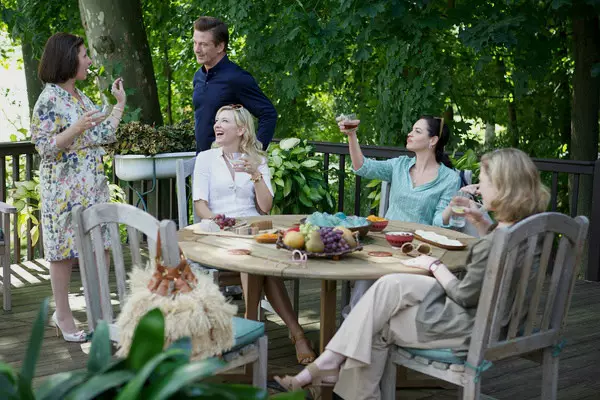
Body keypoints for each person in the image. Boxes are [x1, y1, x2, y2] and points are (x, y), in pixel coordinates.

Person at [275, 148, 550, 399]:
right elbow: (497, 261)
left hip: (472, 328)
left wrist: (434, 266)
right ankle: (328, 364)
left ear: (502, 188)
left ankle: (330, 372)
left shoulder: (495, 243)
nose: (478, 187)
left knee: (377, 325)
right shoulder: (529, 230)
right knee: (390, 284)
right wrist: (481, 223)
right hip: (504, 319)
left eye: (484, 182)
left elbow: (465, 295)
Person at [192, 104, 315, 365]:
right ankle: (296, 334)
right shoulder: (206, 158)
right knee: (257, 263)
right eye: (216, 120)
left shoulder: (258, 160)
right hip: (218, 233)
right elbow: (200, 205)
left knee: (255, 258)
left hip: (253, 232)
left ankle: (252, 330)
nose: (216, 125)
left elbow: (266, 207)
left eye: (224, 121)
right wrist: (221, 222)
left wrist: (256, 175)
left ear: (241, 130)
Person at [31, 33, 126, 342]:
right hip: (63, 190)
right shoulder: (49, 98)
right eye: (84, 55)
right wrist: (74, 128)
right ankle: (63, 316)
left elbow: (102, 135)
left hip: (92, 186)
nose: (89, 60)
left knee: (102, 246)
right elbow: (44, 147)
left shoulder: (80, 97)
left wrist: (119, 105)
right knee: (62, 253)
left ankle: (100, 315)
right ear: (68, 59)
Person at [340, 116, 461, 315]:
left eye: (417, 131)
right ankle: (355, 320)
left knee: (390, 287)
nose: (410, 134)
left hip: (416, 251)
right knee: (366, 274)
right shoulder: (399, 165)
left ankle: (369, 323)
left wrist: (453, 206)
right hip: (385, 244)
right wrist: (352, 135)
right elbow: (363, 167)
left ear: (433, 140)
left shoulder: (450, 179)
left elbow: (438, 223)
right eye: (411, 130)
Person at [192, 16, 277, 153]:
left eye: (203, 44)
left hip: (230, 162)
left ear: (220, 46)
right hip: (203, 160)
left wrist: (255, 153)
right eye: (195, 43)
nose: (197, 49)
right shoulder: (198, 76)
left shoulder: (237, 78)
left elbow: (268, 114)